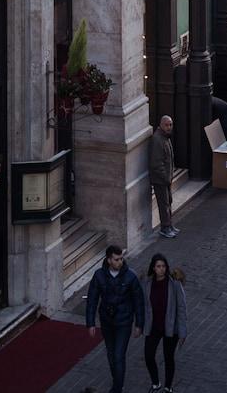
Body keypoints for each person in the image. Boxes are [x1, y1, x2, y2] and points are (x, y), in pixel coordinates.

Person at [84, 245, 145, 393]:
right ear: (109, 260)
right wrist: (90, 323)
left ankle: (117, 388)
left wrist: (139, 324)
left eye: (121, 259)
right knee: (111, 355)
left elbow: (139, 301)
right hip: (106, 321)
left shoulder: (131, 276)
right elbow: (92, 299)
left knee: (118, 355)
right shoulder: (99, 275)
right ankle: (117, 381)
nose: (120, 262)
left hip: (124, 322)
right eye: (116, 259)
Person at [140, 253, 187, 393]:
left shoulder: (174, 284)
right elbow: (142, 304)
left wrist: (183, 331)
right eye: (158, 266)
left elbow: (182, 308)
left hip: (170, 328)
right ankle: (156, 383)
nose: (161, 269)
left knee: (168, 358)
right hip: (153, 327)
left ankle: (168, 387)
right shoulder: (147, 284)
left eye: (163, 266)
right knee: (148, 355)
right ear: (153, 268)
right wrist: (139, 324)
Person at [148, 117, 178, 238]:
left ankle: (169, 224)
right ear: (161, 125)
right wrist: (166, 177)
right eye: (166, 125)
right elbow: (156, 163)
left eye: (170, 125)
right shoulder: (158, 140)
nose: (169, 127)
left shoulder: (165, 138)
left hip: (166, 178)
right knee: (164, 203)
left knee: (168, 201)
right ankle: (165, 227)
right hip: (160, 180)